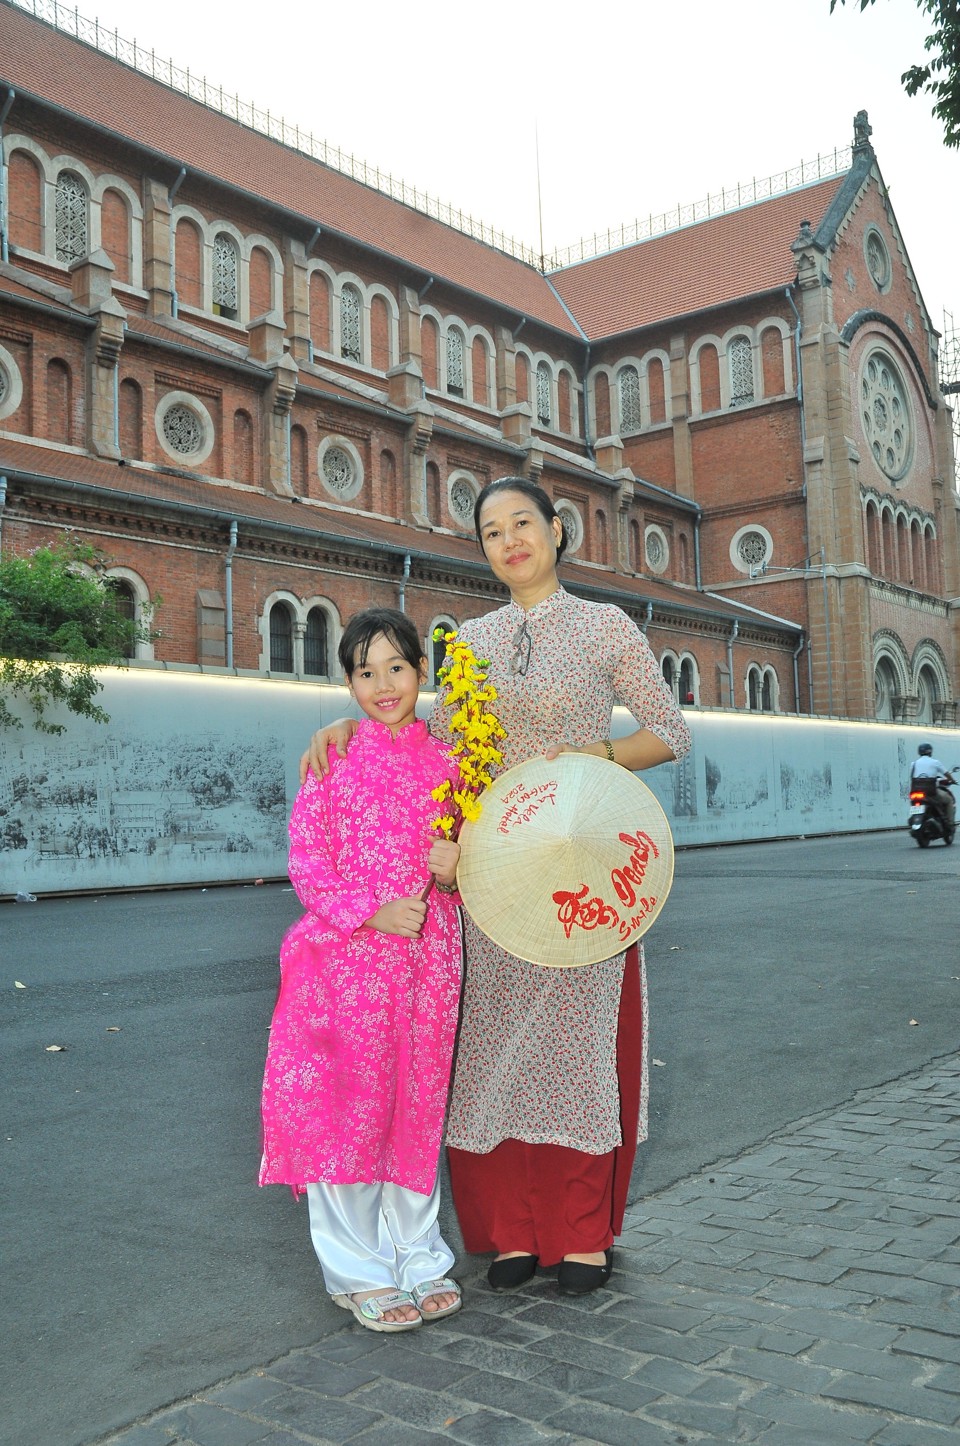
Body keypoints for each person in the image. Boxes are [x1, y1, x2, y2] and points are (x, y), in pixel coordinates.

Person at [303, 477, 691, 1296]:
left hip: (580, 868)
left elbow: (670, 730)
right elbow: (426, 729)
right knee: (489, 1057)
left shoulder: (604, 626)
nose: (510, 539)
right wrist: (344, 722)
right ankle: (511, 1233)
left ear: (557, 530)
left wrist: (598, 759)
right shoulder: (469, 640)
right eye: (491, 531)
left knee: (580, 1054)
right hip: (489, 875)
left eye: (523, 523)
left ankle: (580, 1235)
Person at [260, 607, 464, 1332]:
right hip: (345, 965)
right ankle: (356, 1269)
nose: (383, 685)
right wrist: (372, 913)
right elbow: (307, 862)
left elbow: (489, 861)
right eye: (365, 671)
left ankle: (418, 1255)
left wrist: (457, 865)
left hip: (430, 961)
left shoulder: (454, 766)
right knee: (349, 1107)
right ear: (347, 682)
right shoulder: (331, 758)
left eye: (397, 668)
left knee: (416, 1101)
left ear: (421, 672)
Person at [910, 743, 956, 831]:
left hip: (915, 792)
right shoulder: (935, 762)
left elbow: (912, 777)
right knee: (949, 800)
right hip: (931, 792)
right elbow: (946, 774)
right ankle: (950, 824)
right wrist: (952, 780)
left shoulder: (913, 764)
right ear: (930, 752)